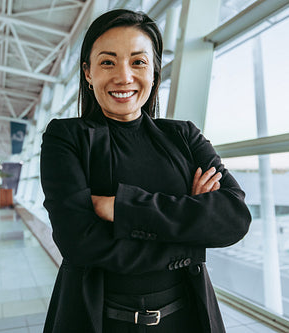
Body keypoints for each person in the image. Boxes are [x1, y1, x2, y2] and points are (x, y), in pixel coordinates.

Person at [40, 9, 251, 333]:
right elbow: (79, 243)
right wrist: (191, 235)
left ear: (154, 71)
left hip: (186, 319)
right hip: (101, 320)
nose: (124, 76)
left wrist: (123, 208)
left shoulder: (183, 136)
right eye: (108, 62)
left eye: (138, 61)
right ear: (87, 72)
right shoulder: (66, 138)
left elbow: (233, 216)